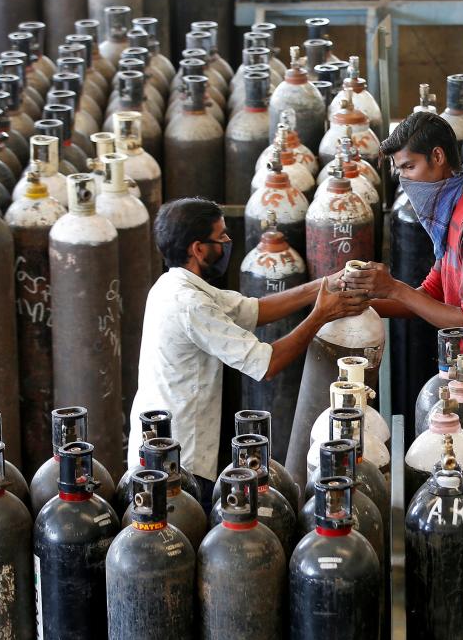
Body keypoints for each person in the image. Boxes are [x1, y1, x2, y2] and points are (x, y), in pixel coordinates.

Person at [128, 197, 367, 505]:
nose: (228, 242)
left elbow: (255, 309)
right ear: (198, 249)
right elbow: (267, 365)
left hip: (168, 442)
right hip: (179, 458)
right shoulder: (190, 304)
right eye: (221, 237)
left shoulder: (172, 285)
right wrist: (320, 315)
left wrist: (324, 284)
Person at [343, 111, 463, 396]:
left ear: (437, 157)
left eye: (409, 167)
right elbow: (429, 295)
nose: (404, 180)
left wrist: (394, 288)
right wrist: (358, 302)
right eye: (400, 171)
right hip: (462, 375)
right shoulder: (455, 210)